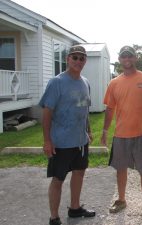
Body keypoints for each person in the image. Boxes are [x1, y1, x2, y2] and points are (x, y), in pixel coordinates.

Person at [39, 45, 95, 225]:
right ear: (67, 59)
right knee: (58, 179)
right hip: (61, 143)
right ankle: (54, 217)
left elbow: (84, 108)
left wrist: (89, 130)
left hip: (80, 142)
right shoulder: (56, 82)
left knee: (79, 174)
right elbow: (47, 112)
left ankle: (75, 208)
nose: (78, 61)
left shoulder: (85, 82)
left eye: (82, 58)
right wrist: (47, 140)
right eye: (75, 57)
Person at [100, 46, 142, 224]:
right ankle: (122, 200)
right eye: (124, 56)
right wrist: (104, 131)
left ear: (135, 58)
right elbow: (110, 109)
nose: (127, 59)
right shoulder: (114, 83)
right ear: (120, 59)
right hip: (121, 135)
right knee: (120, 170)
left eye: (130, 56)